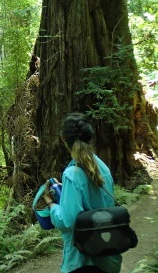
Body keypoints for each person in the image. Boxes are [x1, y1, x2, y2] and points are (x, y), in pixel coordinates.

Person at [43, 113, 122, 273]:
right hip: (108, 254)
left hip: (83, 261)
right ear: (90, 137)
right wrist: (67, 191)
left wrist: (50, 202)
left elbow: (66, 222)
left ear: (63, 139)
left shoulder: (72, 174)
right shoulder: (102, 168)